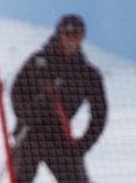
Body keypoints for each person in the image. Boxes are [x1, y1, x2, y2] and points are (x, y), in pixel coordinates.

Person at [10, 14, 107, 183]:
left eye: (76, 35)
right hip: (30, 133)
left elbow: (99, 115)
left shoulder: (87, 75)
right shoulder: (38, 61)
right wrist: (28, 114)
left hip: (59, 138)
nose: (70, 39)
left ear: (81, 38)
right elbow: (17, 93)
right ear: (58, 34)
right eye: (66, 33)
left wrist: (83, 145)